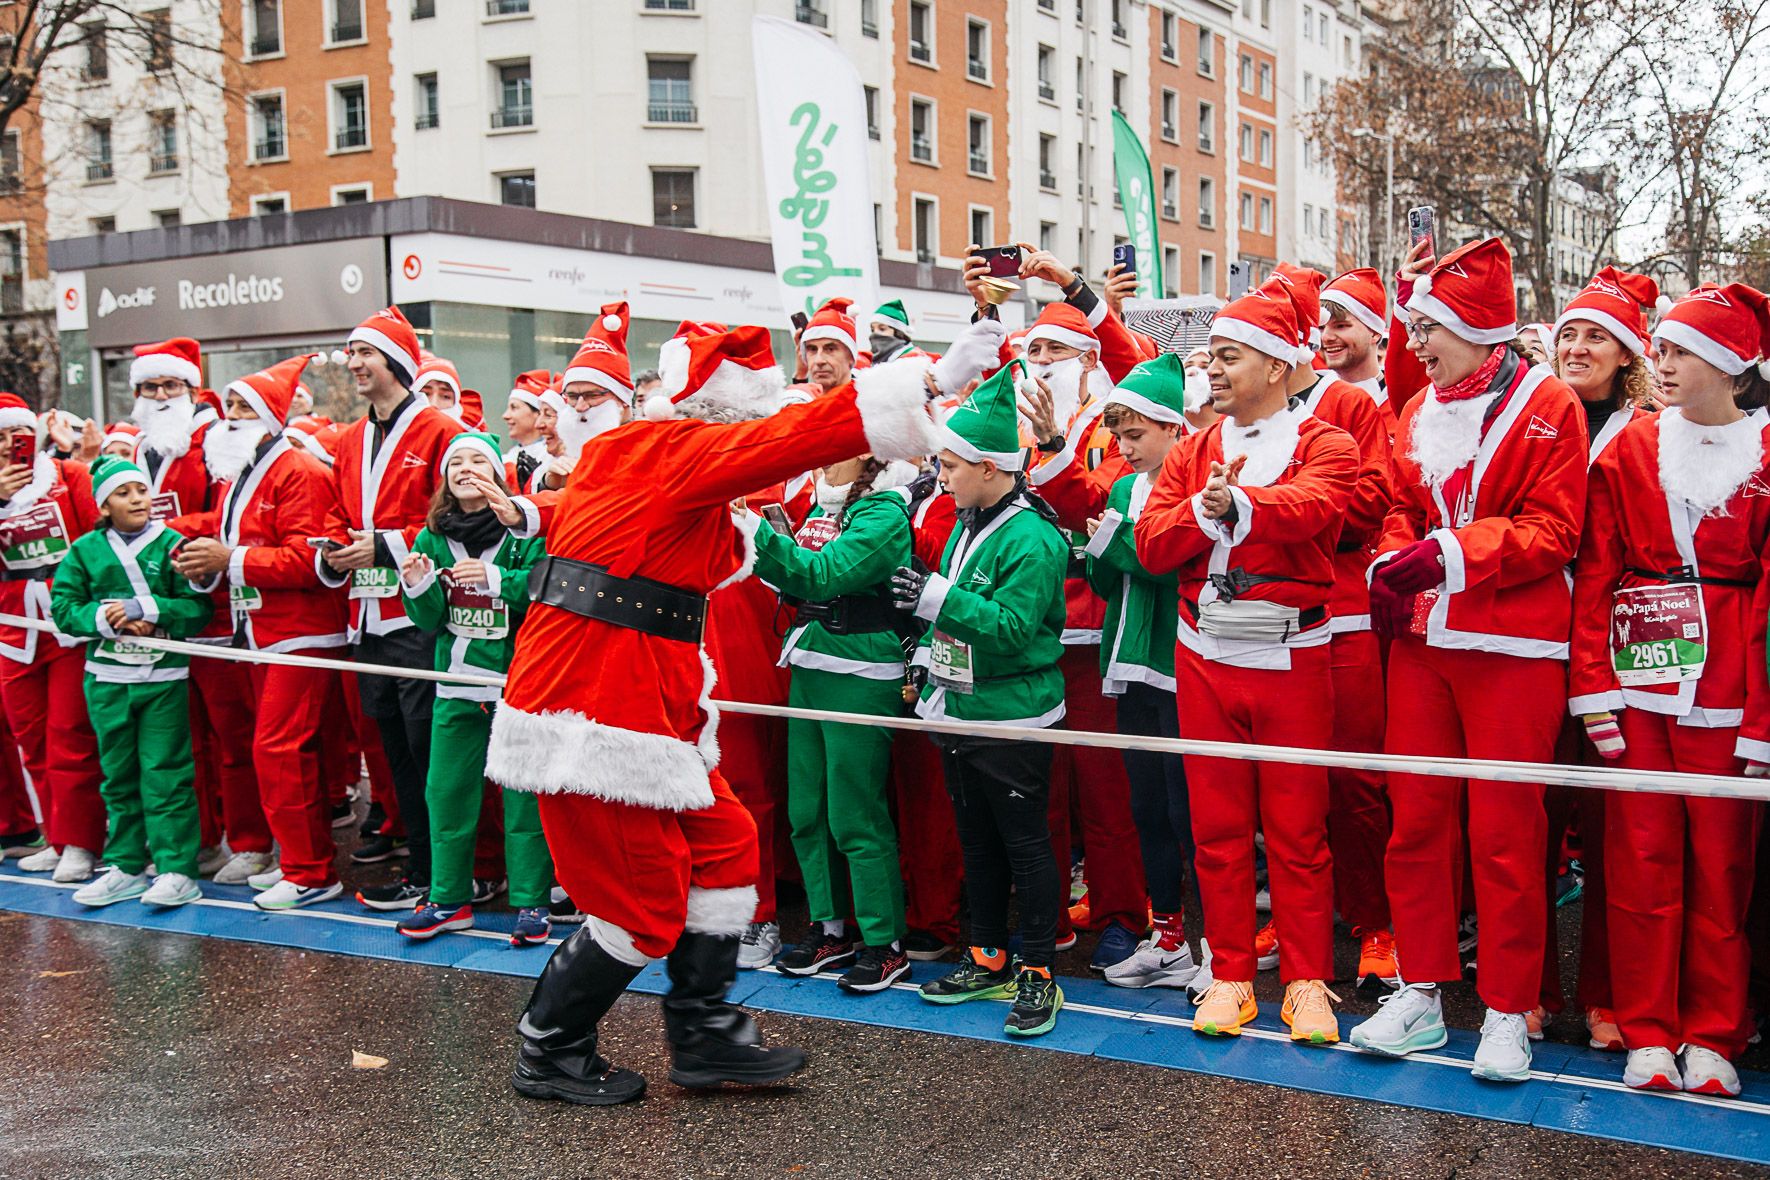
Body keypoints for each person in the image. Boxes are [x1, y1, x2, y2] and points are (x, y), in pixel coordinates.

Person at [482, 319, 997, 1105]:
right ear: (723, 414)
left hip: (650, 702)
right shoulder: (676, 451)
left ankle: (703, 1032)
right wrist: (923, 381)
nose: (764, 427)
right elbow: (790, 440)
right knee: (640, 904)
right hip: (592, 712)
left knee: (726, 844)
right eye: (754, 416)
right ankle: (549, 1047)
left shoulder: (645, 458)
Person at [1348, 237, 1586, 1082]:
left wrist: (1446, 554)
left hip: (1514, 652)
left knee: (1505, 834)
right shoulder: (1418, 410)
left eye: (1429, 329)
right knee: (1415, 822)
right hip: (1424, 646)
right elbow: (1401, 509)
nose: (1415, 343)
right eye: (1415, 328)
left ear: (1482, 332)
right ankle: (1420, 989)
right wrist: (1394, 557)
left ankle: (1506, 1011)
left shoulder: (1551, 403)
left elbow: (1555, 532)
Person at [1134, 282, 1356, 1043]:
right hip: (1203, 652)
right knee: (1216, 828)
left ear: (1274, 363)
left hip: (1294, 651)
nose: (1213, 372)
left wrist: (1240, 507)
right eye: (1215, 358)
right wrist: (1204, 509)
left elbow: (1317, 508)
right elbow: (1153, 544)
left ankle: (1306, 981)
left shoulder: (1328, 440)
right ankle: (1228, 971)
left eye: (1229, 357)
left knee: (1299, 831)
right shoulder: (1195, 449)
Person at [1570, 282, 1770, 1098]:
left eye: (1683, 351)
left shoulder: (1768, 453)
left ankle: (1715, 1032)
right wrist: (1594, 689)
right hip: (1639, 677)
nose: (1664, 362)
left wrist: (1762, 719)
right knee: (1641, 860)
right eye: (1665, 347)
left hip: (1730, 686)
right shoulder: (1629, 449)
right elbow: (1595, 573)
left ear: (1730, 365)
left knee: (1723, 870)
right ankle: (1649, 1030)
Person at [892, 360, 1070, 1037]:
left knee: (1026, 845)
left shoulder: (1030, 535)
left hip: (1013, 712)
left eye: (953, 466)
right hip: (963, 706)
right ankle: (988, 955)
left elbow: (1014, 629)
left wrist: (936, 598)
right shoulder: (971, 518)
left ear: (992, 469)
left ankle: (1038, 974)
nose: (942, 475)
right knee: (978, 842)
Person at [173, 356, 352, 911]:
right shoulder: (241, 476)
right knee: (278, 748)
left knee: (278, 746)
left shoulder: (298, 471)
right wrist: (206, 563)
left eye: (245, 407)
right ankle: (297, 860)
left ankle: (310, 870)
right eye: (229, 405)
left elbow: (311, 560)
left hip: (303, 632)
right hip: (262, 632)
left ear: (272, 417)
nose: (231, 416)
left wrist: (229, 559)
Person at [747, 454, 922, 992]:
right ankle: (830, 929)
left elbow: (826, 574)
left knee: (854, 812)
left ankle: (884, 943)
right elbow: (798, 580)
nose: (820, 455)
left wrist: (755, 532)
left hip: (862, 671)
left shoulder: (885, 512)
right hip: (809, 662)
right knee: (806, 809)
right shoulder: (824, 504)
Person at [1270, 264, 1399, 991]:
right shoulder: (1243, 409)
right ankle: (1300, 918)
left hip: (1344, 612)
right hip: (1263, 621)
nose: (1324, 334)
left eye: (1337, 321)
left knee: (1355, 781)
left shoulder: (1350, 403)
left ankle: (1377, 924)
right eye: (1322, 322)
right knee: (1288, 784)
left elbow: (1371, 504)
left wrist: (1279, 515)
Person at [1544, 265, 1663, 1048]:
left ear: (1628, 354)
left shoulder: (1649, 431)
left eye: (1597, 337)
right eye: (1569, 335)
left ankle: (1606, 995)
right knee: (1532, 823)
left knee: (1616, 827)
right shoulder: (1531, 415)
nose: (1579, 348)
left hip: (1623, 648)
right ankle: (1531, 992)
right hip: (1531, 639)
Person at [317, 307, 464, 913]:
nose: (353, 364)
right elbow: (333, 514)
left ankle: (444, 876)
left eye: (365, 353)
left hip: (418, 615)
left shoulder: (440, 431)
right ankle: (420, 867)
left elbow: (456, 514)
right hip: (366, 618)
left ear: (396, 361)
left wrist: (383, 545)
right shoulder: (349, 438)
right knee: (394, 756)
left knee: (431, 751)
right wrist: (333, 552)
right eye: (350, 353)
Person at [395, 432, 551, 945]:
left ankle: (531, 903)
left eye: (477, 460)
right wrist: (417, 586)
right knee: (446, 793)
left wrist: (495, 579)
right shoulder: (431, 535)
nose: (464, 467)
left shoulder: (525, 532)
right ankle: (447, 898)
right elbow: (430, 620)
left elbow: (545, 589)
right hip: (455, 683)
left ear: (499, 476)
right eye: (455, 461)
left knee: (522, 797)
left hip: (519, 685)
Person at [131, 336, 269, 885]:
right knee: (179, 738)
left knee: (231, 735)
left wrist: (161, 534)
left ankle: (253, 842)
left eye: (171, 385)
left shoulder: (216, 442)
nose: (161, 395)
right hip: (163, 613)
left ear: (191, 389)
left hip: (215, 613)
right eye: (151, 386)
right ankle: (200, 839)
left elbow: (225, 517)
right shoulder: (141, 449)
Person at [1079, 356, 1198, 991]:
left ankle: (1213, 945)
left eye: (1136, 436)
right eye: (1120, 437)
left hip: (1178, 661)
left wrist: (1115, 545)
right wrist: (1101, 545)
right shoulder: (1125, 489)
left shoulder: (1194, 480)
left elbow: (1168, 565)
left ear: (1175, 429)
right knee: (1146, 806)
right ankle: (1169, 935)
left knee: (1190, 812)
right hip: (1129, 661)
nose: (1125, 450)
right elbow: (1109, 579)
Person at [50, 455, 212, 908]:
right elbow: (63, 609)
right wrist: (108, 618)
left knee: (166, 773)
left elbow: (199, 610)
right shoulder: (84, 550)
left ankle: (177, 868)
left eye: (141, 489)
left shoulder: (174, 545)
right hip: (105, 678)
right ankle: (124, 864)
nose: (137, 499)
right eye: (123, 493)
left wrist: (151, 611)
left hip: (163, 677)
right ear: (103, 506)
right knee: (117, 775)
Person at [0, 392, 106, 883]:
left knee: (70, 737)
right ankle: (57, 834)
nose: (5, 447)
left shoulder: (70, 478)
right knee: (31, 740)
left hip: (65, 625)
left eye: (12, 437)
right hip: (11, 629)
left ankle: (82, 842)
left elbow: (100, 545)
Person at [1319, 268, 1391, 417]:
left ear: (1375, 333)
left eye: (1340, 326)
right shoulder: (1311, 399)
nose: (1326, 337)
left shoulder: (1398, 401)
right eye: (1321, 328)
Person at [798, 297, 860, 395]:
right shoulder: (802, 407)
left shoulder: (869, 407)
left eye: (830, 349)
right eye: (812, 349)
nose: (819, 361)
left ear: (851, 356)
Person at [502, 374, 548, 466]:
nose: (505, 416)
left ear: (538, 413)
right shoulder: (509, 456)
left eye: (514, 407)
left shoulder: (549, 456)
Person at [868, 300, 926, 365]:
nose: (875, 333)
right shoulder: (868, 360)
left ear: (897, 332)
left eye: (882, 329)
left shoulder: (913, 358)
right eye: (872, 330)